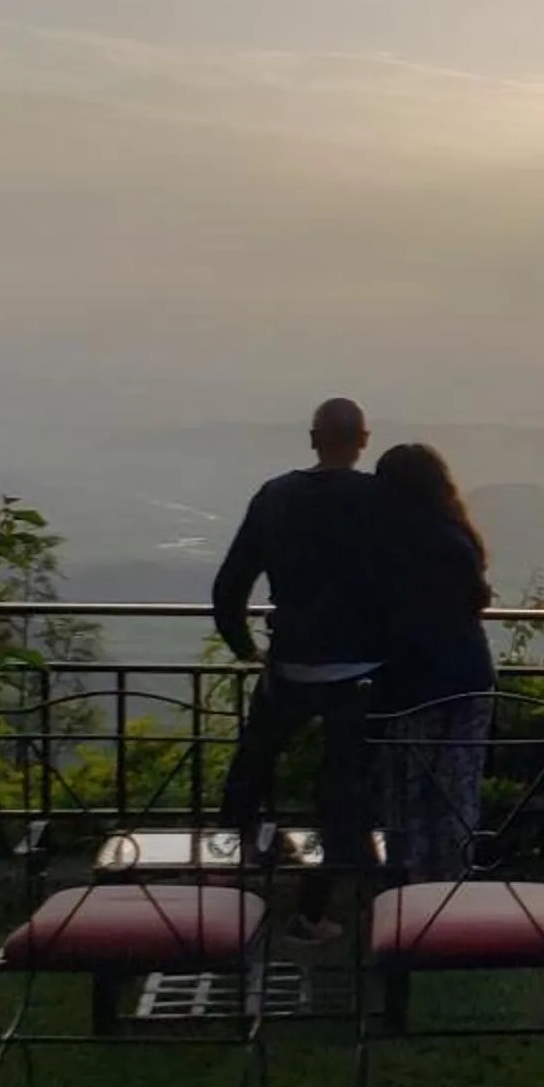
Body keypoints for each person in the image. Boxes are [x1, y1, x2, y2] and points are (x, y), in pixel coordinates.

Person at [212, 397, 395, 939]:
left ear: (313, 439)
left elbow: (230, 586)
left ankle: (224, 880)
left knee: (251, 768)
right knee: (345, 793)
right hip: (361, 675)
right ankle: (314, 911)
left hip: (289, 665)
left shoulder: (275, 497)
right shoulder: (380, 501)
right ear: (363, 440)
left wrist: (246, 646)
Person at [370, 442, 496, 889]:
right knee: (458, 789)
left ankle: (409, 886)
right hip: (469, 678)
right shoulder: (457, 536)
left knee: (409, 791)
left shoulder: (387, 545)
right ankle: (452, 884)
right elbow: (475, 598)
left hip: (412, 684)